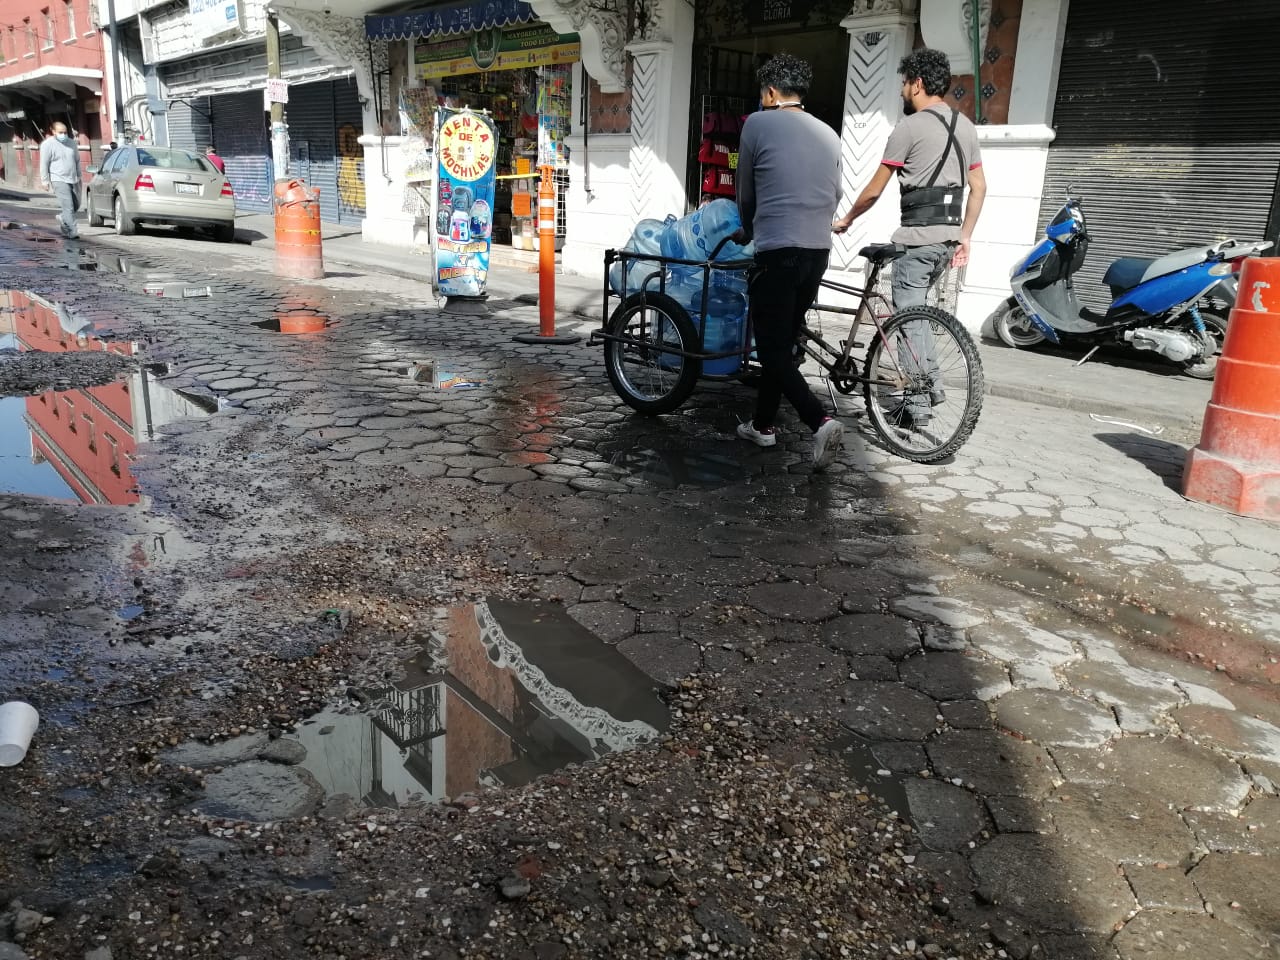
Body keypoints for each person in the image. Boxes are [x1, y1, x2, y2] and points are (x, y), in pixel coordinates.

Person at [833, 47, 986, 422]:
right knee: (917, 318)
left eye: (904, 84)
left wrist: (847, 219)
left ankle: (918, 401)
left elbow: (873, 190)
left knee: (908, 323)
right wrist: (964, 235)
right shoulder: (965, 126)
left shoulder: (910, 127)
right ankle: (927, 390)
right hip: (946, 242)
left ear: (917, 84)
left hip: (916, 240)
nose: (902, 91)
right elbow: (979, 187)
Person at [734, 53, 845, 470]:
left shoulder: (757, 124)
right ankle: (762, 425)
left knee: (773, 348)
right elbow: (835, 193)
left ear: (770, 92)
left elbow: (746, 193)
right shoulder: (828, 133)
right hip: (817, 252)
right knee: (781, 343)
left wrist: (747, 228)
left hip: (778, 249)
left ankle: (820, 421)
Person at [39, 121, 82, 239]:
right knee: (68, 207)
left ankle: (63, 218)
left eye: (65, 132)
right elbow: (44, 163)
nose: (63, 134)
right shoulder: (47, 145)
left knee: (76, 205)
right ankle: (72, 231)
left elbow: (77, 160)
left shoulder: (72, 143)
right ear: (53, 132)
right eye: (60, 132)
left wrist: (79, 175)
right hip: (58, 178)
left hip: (73, 178)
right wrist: (45, 181)